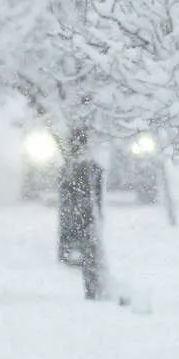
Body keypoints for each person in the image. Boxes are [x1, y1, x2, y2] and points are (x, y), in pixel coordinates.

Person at [56, 127, 107, 300]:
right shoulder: (87, 169)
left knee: (89, 253)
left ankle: (94, 288)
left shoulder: (71, 169)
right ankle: (94, 289)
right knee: (91, 252)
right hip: (83, 220)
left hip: (79, 220)